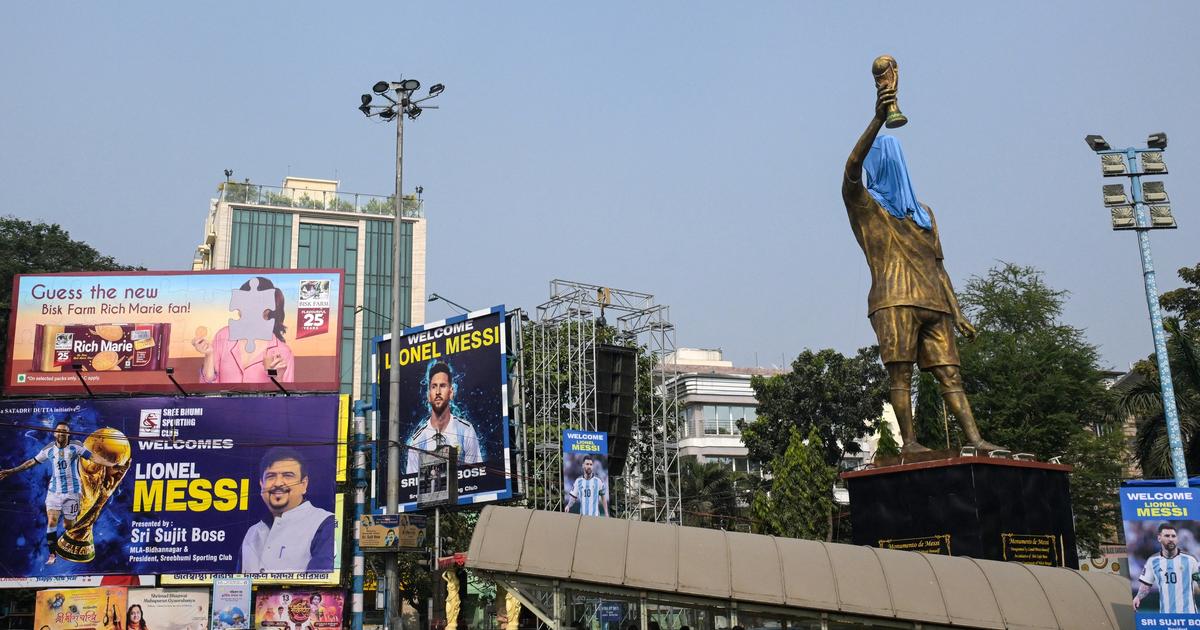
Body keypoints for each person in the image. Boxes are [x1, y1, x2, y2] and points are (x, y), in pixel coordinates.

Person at [842, 85, 1003, 454]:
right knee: (901, 374)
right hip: (894, 300)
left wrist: (958, 312)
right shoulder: (867, 207)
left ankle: (976, 440)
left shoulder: (924, 213)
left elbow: (939, 267)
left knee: (950, 374)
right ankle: (910, 443)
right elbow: (850, 171)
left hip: (934, 304)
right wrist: (878, 119)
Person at [0, 421, 120, 565]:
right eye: (59, 430)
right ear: (55, 433)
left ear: (68, 434)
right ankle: (52, 554)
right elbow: (31, 462)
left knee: (68, 526)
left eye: (65, 431)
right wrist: (11, 471)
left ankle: (72, 516)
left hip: (72, 493)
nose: (62, 433)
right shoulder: (49, 449)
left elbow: (94, 458)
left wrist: (112, 464)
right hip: (54, 492)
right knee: (51, 521)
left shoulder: (75, 446)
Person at [239, 447, 335, 573]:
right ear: (261, 484)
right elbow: (238, 583)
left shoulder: (326, 524)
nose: (278, 483)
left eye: (288, 476)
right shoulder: (252, 533)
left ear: (304, 484)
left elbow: (323, 582)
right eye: (271, 476)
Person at [193, 277, 295, 384]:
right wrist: (209, 355)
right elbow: (207, 386)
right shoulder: (224, 336)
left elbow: (284, 394)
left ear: (268, 309)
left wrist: (277, 379)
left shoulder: (283, 352)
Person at [405, 362, 483, 474]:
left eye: (442, 386)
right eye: (433, 386)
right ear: (428, 395)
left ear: (451, 392)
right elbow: (412, 481)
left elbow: (476, 475)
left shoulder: (466, 430)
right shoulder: (417, 441)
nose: (437, 392)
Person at [1134, 523, 1200, 613]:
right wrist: (1138, 597)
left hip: (1188, 614)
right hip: (1166, 615)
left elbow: (1198, 580)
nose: (1171, 539)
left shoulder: (1190, 560)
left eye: (1173, 536)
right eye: (1167, 536)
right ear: (1159, 538)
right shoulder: (1153, 561)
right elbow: (1146, 585)